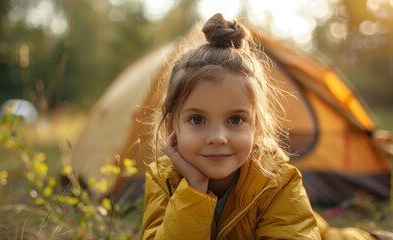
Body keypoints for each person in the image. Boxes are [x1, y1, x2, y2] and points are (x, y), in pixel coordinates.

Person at [140, 13, 381, 240]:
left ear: (256, 126)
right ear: (172, 123)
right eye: (197, 119)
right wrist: (193, 188)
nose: (217, 137)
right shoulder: (163, 178)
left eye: (235, 120)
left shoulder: (277, 179)